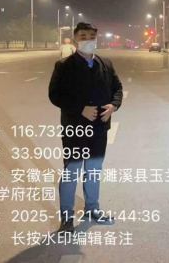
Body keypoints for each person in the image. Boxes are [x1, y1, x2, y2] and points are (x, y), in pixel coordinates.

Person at [49, 22, 123, 233]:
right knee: (72, 171)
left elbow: (117, 88)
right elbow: (55, 95)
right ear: (75, 40)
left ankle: (92, 208)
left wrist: (114, 105)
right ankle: (67, 217)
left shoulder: (105, 63)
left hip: (99, 128)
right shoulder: (64, 65)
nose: (88, 40)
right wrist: (80, 108)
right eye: (83, 36)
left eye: (92, 36)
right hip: (75, 128)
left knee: (94, 170)